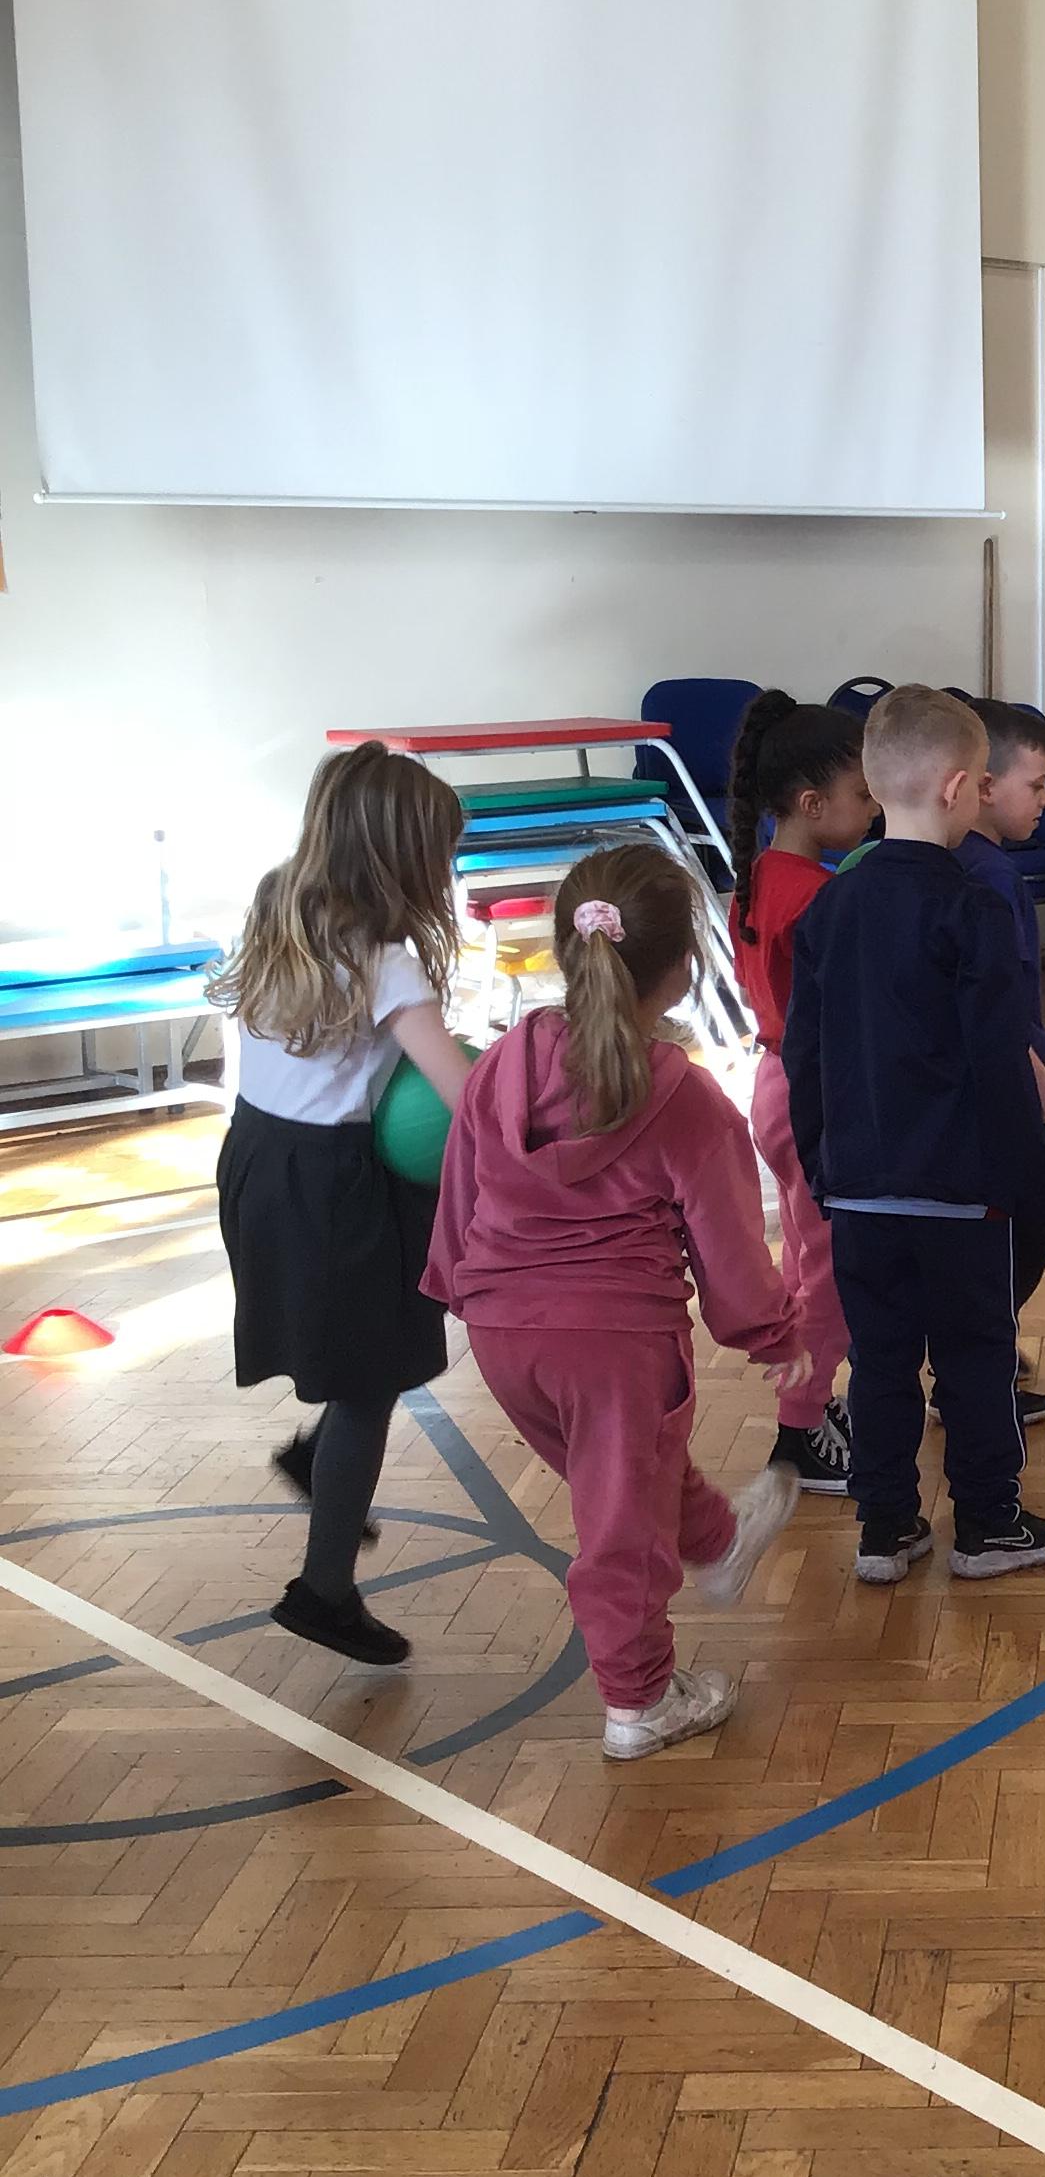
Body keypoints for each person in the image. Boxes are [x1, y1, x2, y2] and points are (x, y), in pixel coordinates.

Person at [426, 846, 806, 1760]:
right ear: (682, 969)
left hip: (503, 1334)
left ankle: (716, 1543)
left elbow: (460, 1190)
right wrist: (773, 1334)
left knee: (623, 1473)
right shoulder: (683, 1095)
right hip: (614, 1346)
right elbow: (728, 1247)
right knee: (619, 1523)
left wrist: (457, 1286)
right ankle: (639, 1703)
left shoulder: (504, 1061)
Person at [782, 685, 1045, 1587]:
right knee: (977, 1357)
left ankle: (885, 1529)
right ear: (956, 788)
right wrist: (1024, 1176)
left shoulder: (830, 906)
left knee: (880, 1363)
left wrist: (823, 1166)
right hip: (960, 1191)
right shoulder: (973, 906)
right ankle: (987, 1524)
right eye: (983, 779)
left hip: (858, 1189)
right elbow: (996, 1057)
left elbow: (805, 1056)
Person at [210, 741, 474, 1666]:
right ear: (405, 856)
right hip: (334, 1187)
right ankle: (323, 1594)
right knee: (370, 1381)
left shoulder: (280, 903)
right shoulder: (388, 961)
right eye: (441, 854)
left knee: (363, 1353)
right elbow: (461, 1097)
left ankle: (312, 1458)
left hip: (258, 1161)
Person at [725, 691, 876, 1496]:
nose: (874, 808)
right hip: (817, 1095)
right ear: (814, 804)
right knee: (833, 1274)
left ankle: (809, 1400)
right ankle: (798, 1432)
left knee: (806, 1260)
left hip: (777, 1087)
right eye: (863, 794)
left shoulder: (761, 876)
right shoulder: (816, 896)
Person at [960, 697, 1045, 1418]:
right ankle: (975, 1351)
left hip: (1007, 1076)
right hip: (1007, 1085)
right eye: (1035, 785)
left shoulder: (981, 866)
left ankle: (981, 1344)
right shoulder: (989, 877)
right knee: (1044, 1202)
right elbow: (993, 995)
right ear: (983, 786)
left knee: (1042, 1203)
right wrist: (1032, 1073)